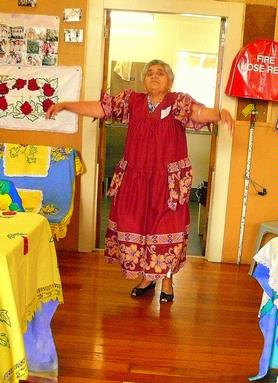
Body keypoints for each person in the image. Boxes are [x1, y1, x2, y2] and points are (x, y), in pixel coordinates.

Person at [46, 59, 234, 303]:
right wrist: (66, 105)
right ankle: (147, 278)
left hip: (167, 184)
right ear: (144, 80)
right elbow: (100, 109)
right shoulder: (131, 101)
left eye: (160, 73)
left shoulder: (178, 102)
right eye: (150, 74)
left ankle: (166, 281)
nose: (154, 77)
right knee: (137, 225)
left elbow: (200, 113)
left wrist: (220, 114)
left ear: (170, 80)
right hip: (135, 181)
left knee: (166, 230)